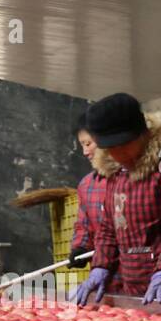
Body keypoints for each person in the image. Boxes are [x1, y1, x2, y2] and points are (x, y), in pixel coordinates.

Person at [72, 93, 161, 305]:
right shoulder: (115, 173)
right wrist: (101, 266)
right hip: (132, 289)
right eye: (112, 148)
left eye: (125, 145)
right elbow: (108, 229)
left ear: (144, 134)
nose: (120, 154)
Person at [66, 113, 107, 268]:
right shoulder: (87, 184)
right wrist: (80, 248)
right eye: (82, 145)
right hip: (102, 273)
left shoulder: (130, 178)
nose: (85, 152)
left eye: (88, 143)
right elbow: (84, 224)